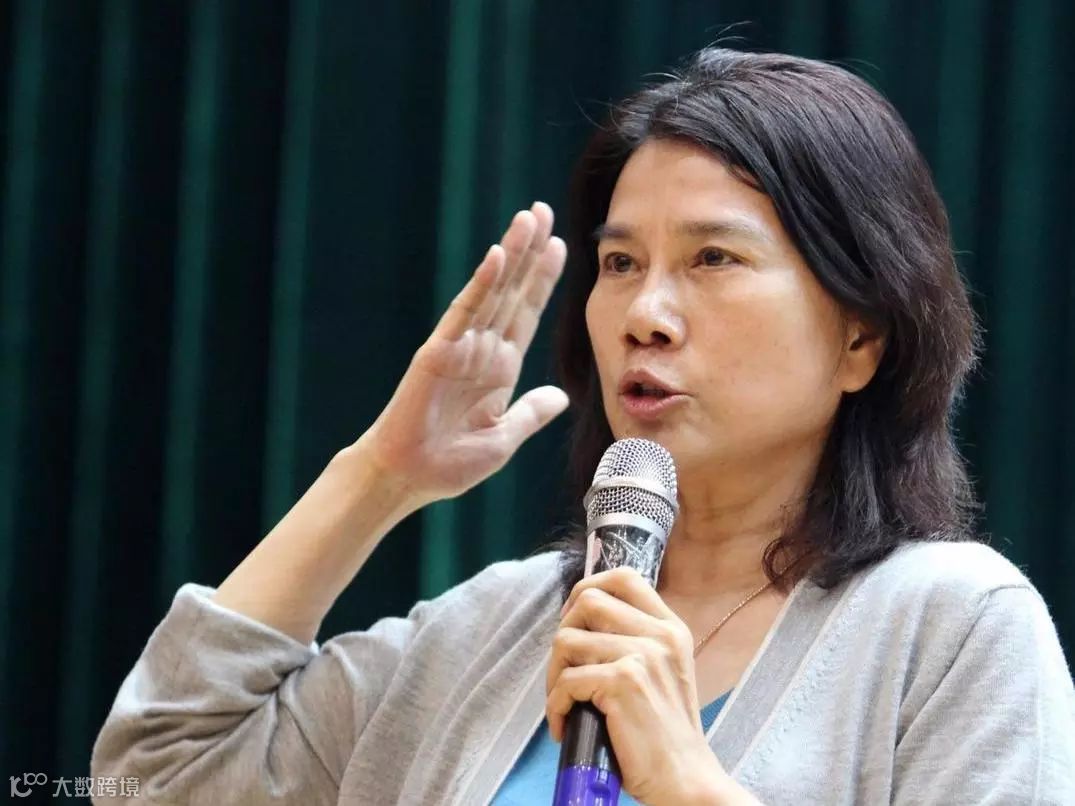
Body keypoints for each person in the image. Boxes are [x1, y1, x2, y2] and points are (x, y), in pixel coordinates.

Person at [91, 47, 1075, 805]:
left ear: (861, 336)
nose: (646, 314)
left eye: (713, 259)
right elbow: (158, 776)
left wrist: (687, 782)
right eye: (618, 264)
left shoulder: (952, 625)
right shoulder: (498, 626)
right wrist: (378, 477)